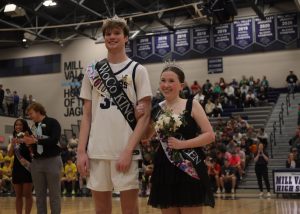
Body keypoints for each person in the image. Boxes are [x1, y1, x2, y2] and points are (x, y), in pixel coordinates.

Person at [77, 16, 152, 214]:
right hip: (97, 151)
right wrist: (81, 151)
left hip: (125, 150)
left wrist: (128, 150)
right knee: (101, 210)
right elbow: (86, 115)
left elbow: (144, 116)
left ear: (126, 37)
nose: (112, 37)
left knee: (130, 210)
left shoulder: (138, 70)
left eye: (117, 33)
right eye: (108, 34)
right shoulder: (92, 71)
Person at [147, 65, 215, 213]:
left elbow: (210, 135)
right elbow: (146, 137)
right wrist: (140, 114)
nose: (166, 85)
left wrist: (182, 144)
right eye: (163, 81)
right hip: (164, 169)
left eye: (171, 81)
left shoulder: (192, 105)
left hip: (189, 167)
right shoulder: (156, 109)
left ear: (181, 85)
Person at [23, 102, 62, 214]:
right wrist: (27, 143)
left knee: (54, 195)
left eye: (31, 113)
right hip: (36, 162)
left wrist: (35, 140)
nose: (30, 116)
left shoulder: (53, 122)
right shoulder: (32, 127)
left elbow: (54, 140)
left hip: (52, 160)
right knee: (39, 196)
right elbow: (32, 145)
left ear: (38, 111)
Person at [7, 119, 33, 214]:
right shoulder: (13, 138)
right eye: (16, 125)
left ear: (24, 126)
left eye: (20, 125)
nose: (17, 126)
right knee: (18, 195)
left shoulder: (29, 137)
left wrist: (28, 142)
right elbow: (9, 155)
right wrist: (13, 144)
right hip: (17, 169)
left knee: (27, 194)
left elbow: (33, 153)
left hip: (27, 169)